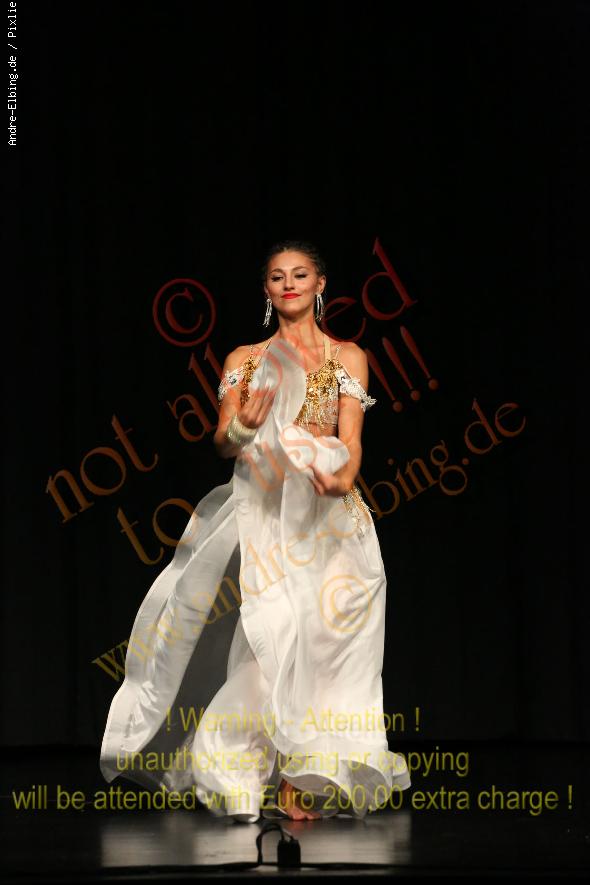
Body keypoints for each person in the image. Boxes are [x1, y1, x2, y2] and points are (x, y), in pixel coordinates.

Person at [100, 239, 411, 822]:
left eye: (300, 274)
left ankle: (299, 776)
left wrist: (343, 481)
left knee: (330, 646)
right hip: (270, 520)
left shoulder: (348, 356)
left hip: (332, 518)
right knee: (276, 640)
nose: (289, 284)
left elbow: (351, 440)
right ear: (266, 290)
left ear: (320, 284)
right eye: (277, 276)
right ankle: (244, 766)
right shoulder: (244, 359)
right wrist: (242, 425)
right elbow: (224, 442)